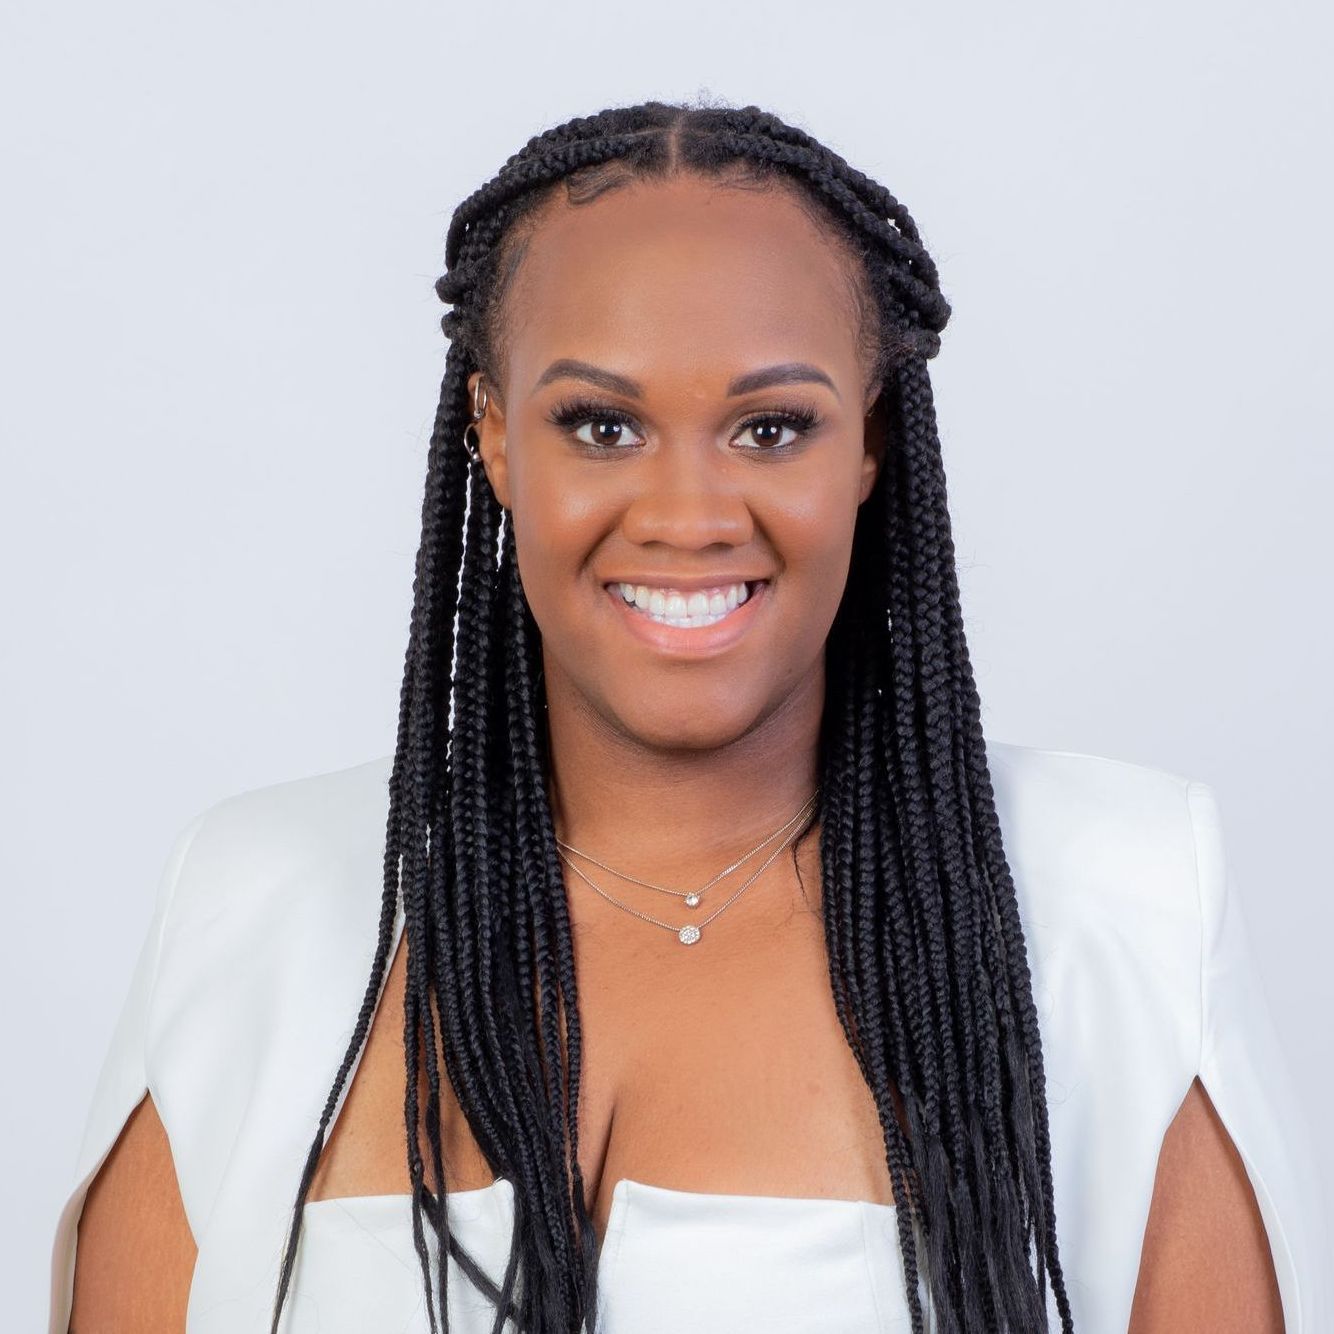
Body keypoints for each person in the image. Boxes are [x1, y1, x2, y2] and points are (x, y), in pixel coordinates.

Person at [49, 100, 1325, 1334]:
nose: (688, 512)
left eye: (770, 427)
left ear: (868, 441)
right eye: (600, 424)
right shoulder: (252, 904)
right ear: (493, 435)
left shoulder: (1123, 904)